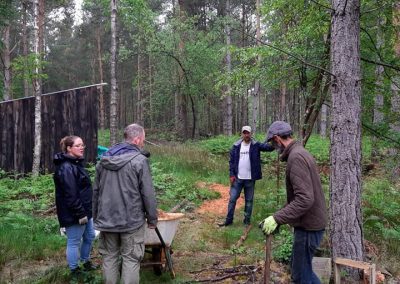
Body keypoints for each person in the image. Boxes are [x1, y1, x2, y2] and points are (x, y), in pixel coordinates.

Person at [260, 121, 327, 283]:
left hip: (308, 227)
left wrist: (277, 218)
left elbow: (305, 199)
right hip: (310, 224)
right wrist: (278, 217)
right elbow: (300, 198)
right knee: (304, 272)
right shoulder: (300, 152)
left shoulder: (296, 157)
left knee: (300, 276)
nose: (274, 148)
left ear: (277, 139)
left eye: (272, 143)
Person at [93, 123, 158, 284]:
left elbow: (95, 192)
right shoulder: (140, 161)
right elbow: (148, 193)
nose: (143, 143)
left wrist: (96, 217)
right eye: (143, 140)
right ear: (136, 140)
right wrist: (152, 219)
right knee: (131, 259)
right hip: (131, 221)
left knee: (109, 257)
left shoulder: (103, 160)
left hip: (107, 220)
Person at [53, 136, 97, 277]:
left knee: (90, 236)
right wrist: (80, 214)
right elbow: (70, 195)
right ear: (69, 148)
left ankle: (85, 261)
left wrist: (87, 211)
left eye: (82, 145)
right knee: (74, 241)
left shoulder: (76, 163)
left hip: (85, 210)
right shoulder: (66, 167)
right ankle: (74, 269)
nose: (82, 147)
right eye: (78, 145)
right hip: (75, 213)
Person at [219, 125, 274, 227]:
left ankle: (246, 222)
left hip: (250, 179)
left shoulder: (255, 145)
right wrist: (231, 174)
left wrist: (275, 140)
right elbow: (231, 162)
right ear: (242, 134)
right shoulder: (236, 146)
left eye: (248, 133)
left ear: (251, 133)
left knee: (249, 201)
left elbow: (268, 148)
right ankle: (228, 220)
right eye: (244, 133)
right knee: (232, 199)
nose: (246, 135)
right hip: (237, 178)